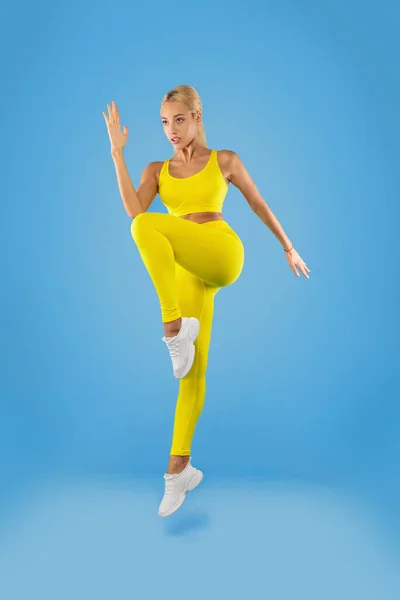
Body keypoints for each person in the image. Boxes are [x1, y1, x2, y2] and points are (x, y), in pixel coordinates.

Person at [102, 85, 311, 517]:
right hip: (186, 270)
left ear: (198, 117)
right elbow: (132, 207)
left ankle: (173, 327)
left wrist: (288, 246)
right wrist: (117, 153)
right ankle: (179, 470)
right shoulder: (156, 170)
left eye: (179, 119)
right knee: (191, 373)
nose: (171, 130)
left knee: (145, 227)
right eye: (164, 122)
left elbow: (257, 203)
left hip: (220, 251)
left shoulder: (224, 160)